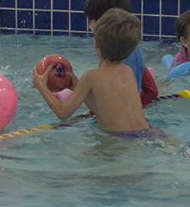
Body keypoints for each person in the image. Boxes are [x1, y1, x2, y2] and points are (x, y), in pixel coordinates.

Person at [34, 8, 156, 136]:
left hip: (119, 140)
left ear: (96, 43)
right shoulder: (128, 72)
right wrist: (75, 85)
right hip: (148, 132)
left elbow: (63, 113)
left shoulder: (91, 76)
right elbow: (102, 109)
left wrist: (41, 86)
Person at [84, 0, 157, 105]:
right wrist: (135, 109)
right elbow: (152, 91)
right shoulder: (133, 49)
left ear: (104, 23)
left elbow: (108, 101)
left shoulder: (111, 57)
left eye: (91, 21)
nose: (89, 26)